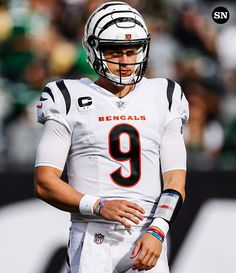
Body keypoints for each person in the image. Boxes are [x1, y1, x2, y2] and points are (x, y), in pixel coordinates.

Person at [34, 1, 189, 273]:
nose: (125, 61)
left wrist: (158, 230)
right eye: (114, 51)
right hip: (92, 235)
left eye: (132, 51)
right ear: (93, 50)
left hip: (147, 233)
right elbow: (44, 182)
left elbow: (175, 178)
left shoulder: (165, 95)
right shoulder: (66, 96)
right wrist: (98, 205)